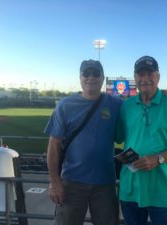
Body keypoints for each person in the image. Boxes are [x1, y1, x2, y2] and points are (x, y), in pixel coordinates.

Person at [116, 56, 167, 225]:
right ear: (135, 78)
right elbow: (118, 136)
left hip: (162, 190)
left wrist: (158, 159)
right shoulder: (126, 106)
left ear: (158, 77)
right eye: (140, 74)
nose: (145, 79)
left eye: (150, 74)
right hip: (131, 187)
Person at [44, 60, 122, 225]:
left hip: (105, 184)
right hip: (71, 183)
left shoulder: (116, 104)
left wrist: (162, 94)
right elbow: (53, 145)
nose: (91, 77)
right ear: (80, 77)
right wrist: (55, 182)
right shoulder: (65, 105)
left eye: (95, 73)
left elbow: (141, 105)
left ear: (102, 78)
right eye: (86, 73)